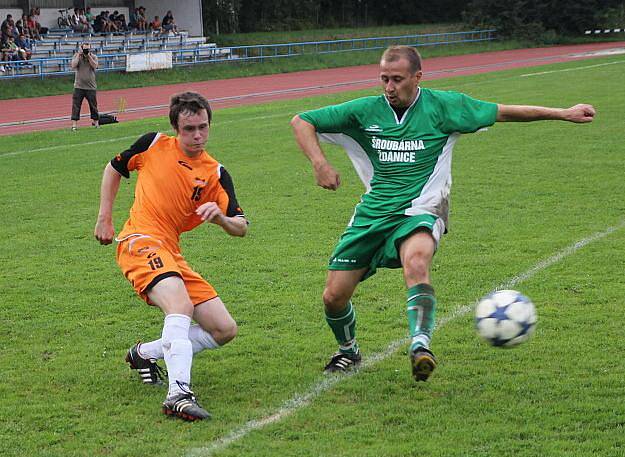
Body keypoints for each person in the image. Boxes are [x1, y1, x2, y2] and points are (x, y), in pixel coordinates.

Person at [290, 45, 595, 380]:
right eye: (384, 79)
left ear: (417, 77)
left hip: (423, 207)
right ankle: (349, 352)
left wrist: (563, 113)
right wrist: (320, 164)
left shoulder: (444, 106)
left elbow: (504, 112)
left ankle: (421, 345)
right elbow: (302, 120)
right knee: (333, 297)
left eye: (397, 79)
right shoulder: (364, 111)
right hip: (373, 212)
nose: (389, 87)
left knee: (417, 261)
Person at [94, 91, 248, 421]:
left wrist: (220, 218)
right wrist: (104, 217)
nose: (197, 136)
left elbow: (241, 226)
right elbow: (114, 167)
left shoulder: (215, 173)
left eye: (203, 128)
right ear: (175, 128)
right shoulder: (153, 145)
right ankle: (178, 393)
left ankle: (143, 354)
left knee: (224, 329)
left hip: (171, 252)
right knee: (180, 306)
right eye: (189, 129)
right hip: (141, 242)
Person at [70, 42, 99, 131]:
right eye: (85, 49)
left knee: (93, 106)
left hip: (90, 86)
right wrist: (79, 55)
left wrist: (88, 56)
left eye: (88, 49)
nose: (86, 51)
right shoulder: (77, 56)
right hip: (79, 86)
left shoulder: (93, 57)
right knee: (76, 105)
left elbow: (95, 66)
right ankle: (74, 125)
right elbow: (73, 65)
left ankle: (96, 123)